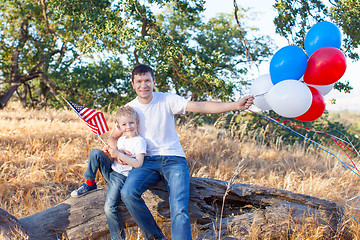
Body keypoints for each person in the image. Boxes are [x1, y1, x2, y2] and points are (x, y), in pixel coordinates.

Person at [107, 64, 254, 240]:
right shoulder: (129, 108)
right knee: (128, 193)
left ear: (154, 82)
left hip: (173, 159)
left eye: (147, 80)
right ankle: (156, 237)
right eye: (139, 81)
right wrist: (115, 150)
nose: (143, 85)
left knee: (179, 208)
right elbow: (113, 135)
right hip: (146, 162)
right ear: (132, 84)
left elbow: (201, 106)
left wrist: (235, 105)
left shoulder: (167, 99)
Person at [71, 105, 146, 240]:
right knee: (96, 153)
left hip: (122, 177)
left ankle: (117, 238)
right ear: (118, 126)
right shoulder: (121, 140)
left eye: (131, 123)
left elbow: (138, 163)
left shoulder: (139, 141)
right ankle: (89, 183)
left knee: (109, 208)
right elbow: (114, 158)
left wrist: (120, 155)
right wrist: (110, 154)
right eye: (124, 124)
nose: (128, 127)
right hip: (112, 171)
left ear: (137, 123)